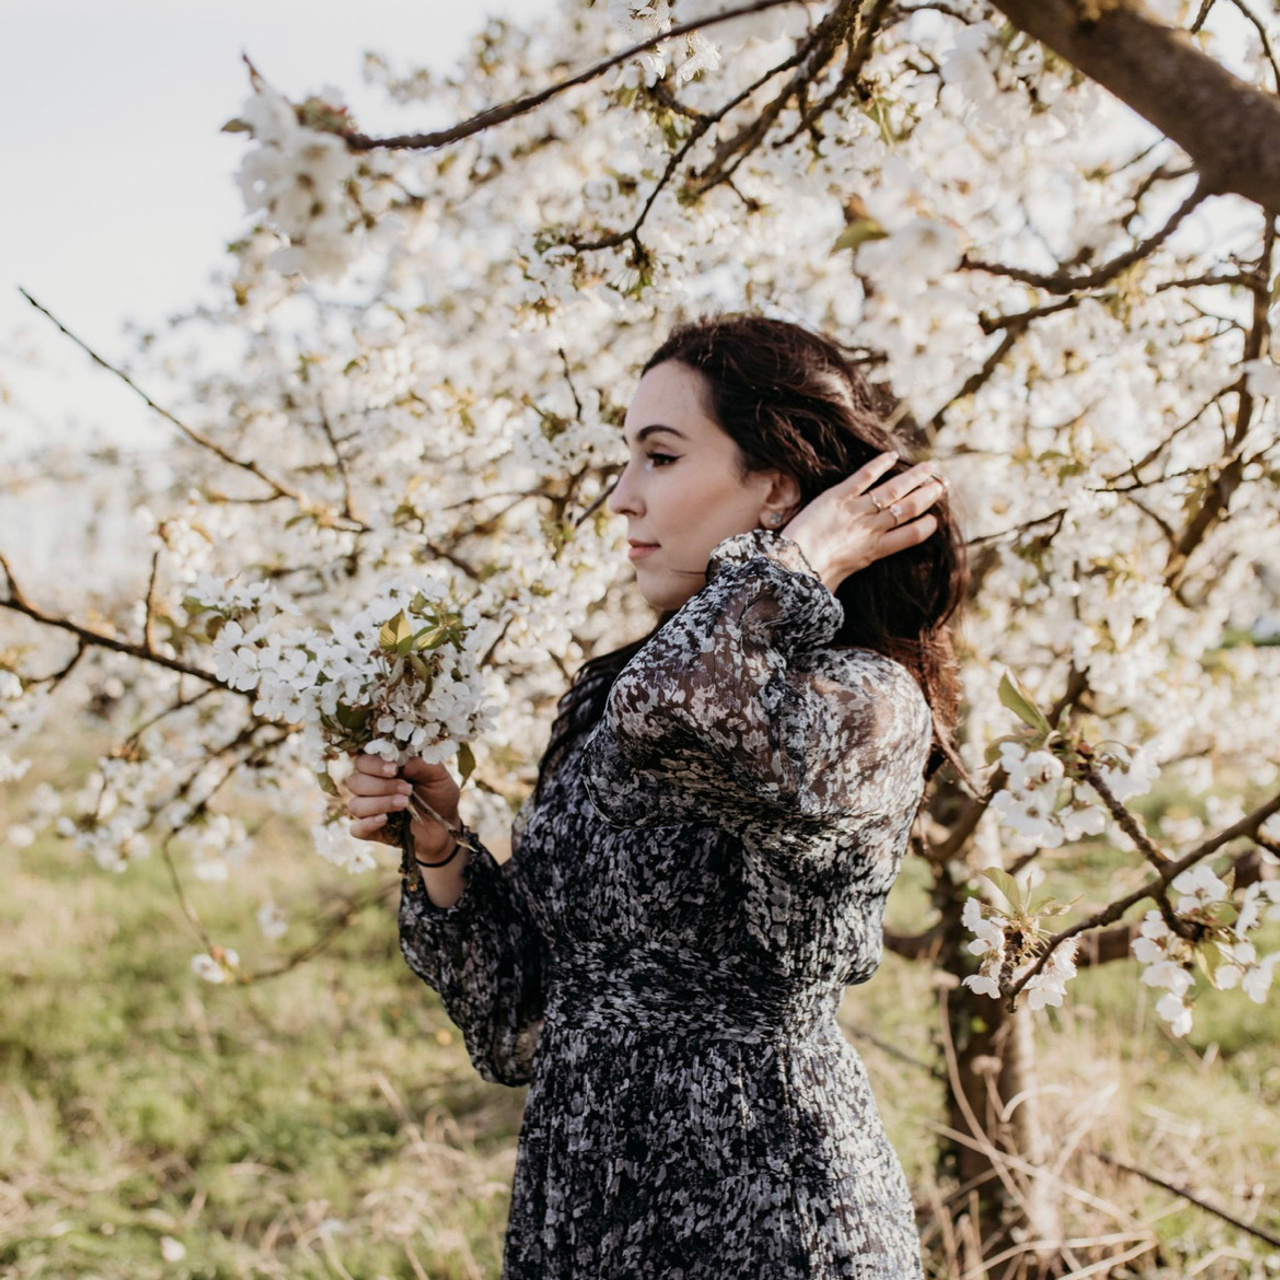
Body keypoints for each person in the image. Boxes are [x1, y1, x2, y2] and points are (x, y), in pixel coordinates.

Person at [345, 314, 965, 1279]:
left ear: (776, 486)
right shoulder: (606, 697)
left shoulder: (861, 706)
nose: (623, 498)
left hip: (767, 1218)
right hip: (583, 1219)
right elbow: (523, 1015)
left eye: (661, 457)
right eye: (625, 460)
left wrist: (803, 559)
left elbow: (681, 713)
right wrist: (438, 844)